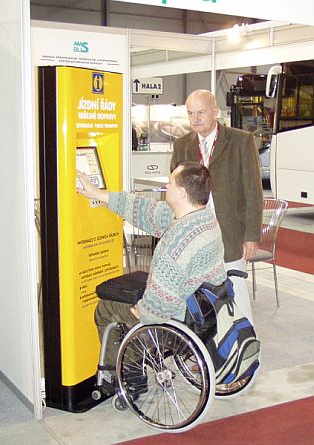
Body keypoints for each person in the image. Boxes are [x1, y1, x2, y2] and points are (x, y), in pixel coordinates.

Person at [77, 161, 227, 342]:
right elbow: (146, 211)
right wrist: (98, 194)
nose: (166, 185)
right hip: (204, 310)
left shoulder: (177, 245)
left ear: (181, 193)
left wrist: (140, 311)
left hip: (178, 321)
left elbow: (157, 309)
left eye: (170, 182)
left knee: (105, 309)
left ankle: (126, 368)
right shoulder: (203, 218)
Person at [171, 89, 263, 324]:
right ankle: (204, 356)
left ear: (215, 112)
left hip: (229, 234)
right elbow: (175, 191)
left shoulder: (241, 141)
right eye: (191, 113)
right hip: (194, 235)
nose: (195, 118)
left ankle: (246, 352)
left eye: (201, 112)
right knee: (198, 299)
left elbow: (253, 190)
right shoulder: (182, 145)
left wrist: (251, 235)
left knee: (236, 295)